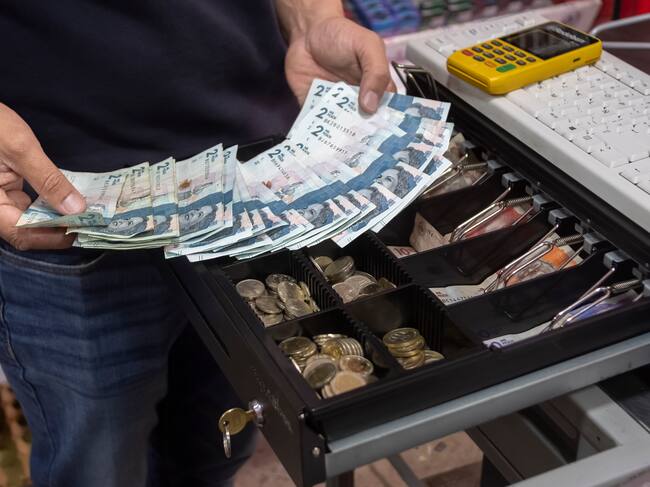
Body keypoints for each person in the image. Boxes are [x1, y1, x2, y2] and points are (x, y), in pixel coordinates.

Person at [0, 2, 392, 486]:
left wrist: (312, 19)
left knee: (215, 449)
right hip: (64, 217)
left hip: (249, 186)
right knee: (96, 473)